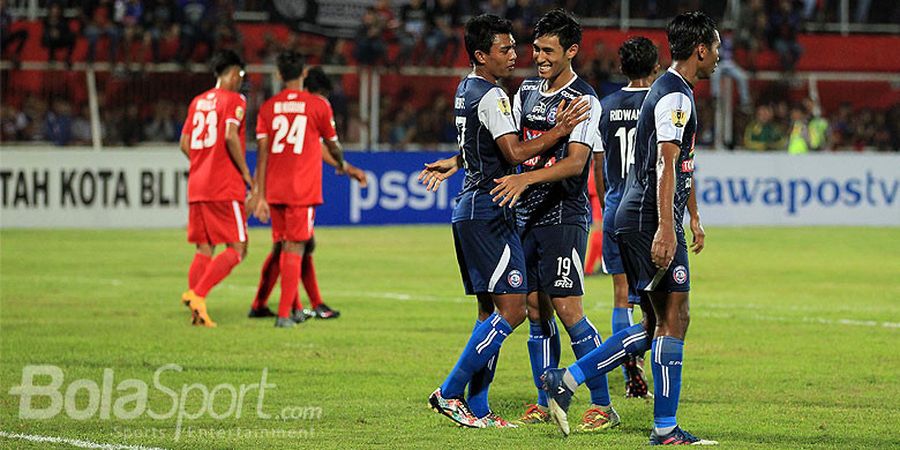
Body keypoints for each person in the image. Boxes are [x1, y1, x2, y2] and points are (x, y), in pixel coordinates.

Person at [540, 11, 716, 446]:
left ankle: (567, 379)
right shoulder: (675, 95)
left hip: (631, 211)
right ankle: (665, 429)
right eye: (715, 48)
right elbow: (666, 162)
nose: (717, 56)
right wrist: (666, 228)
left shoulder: (667, 89)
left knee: (657, 319)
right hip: (647, 217)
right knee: (676, 317)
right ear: (700, 49)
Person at [418, 14, 589, 429]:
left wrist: (455, 161)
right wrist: (560, 130)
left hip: (470, 207)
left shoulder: (466, 88)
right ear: (481, 55)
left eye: (515, 46)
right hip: (490, 210)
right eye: (505, 49)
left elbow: (483, 144)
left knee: (487, 316)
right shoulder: (493, 95)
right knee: (512, 310)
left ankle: (478, 408)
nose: (516, 55)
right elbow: (513, 153)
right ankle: (449, 392)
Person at [487, 9, 614, 433]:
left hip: (563, 213)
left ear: (571, 51)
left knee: (567, 307)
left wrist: (526, 179)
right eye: (536, 48)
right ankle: (544, 398)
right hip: (526, 212)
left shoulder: (584, 101)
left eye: (547, 50)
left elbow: (576, 163)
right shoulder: (526, 92)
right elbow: (515, 145)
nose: (538, 56)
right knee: (534, 308)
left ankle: (601, 404)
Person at [249, 63, 366, 323]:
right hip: (298, 188)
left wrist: (257, 190)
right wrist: (346, 167)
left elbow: (264, 152)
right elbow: (325, 148)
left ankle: (271, 303)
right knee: (298, 245)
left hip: (277, 187)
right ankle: (300, 306)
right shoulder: (312, 106)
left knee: (286, 246)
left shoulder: (276, 107)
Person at [594, 36, 659, 399]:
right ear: (655, 68)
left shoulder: (605, 106)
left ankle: (629, 371)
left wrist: (608, 204)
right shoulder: (658, 102)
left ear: (622, 68)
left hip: (616, 206)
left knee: (621, 296)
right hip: (647, 212)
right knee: (656, 302)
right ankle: (639, 365)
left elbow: (599, 164)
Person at [179, 50, 253, 328]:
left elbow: (184, 143)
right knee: (238, 247)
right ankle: (198, 295)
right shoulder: (235, 100)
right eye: (241, 75)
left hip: (198, 184)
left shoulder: (197, 102)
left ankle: (196, 309)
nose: (241, 80)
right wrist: (247, 175)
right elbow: (230, 134)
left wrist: (203, 162)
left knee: (204, 248)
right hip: (223, 185)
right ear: (233, 72)